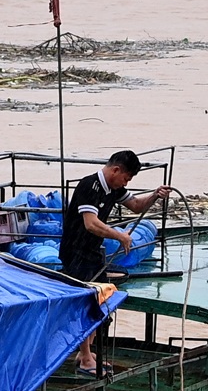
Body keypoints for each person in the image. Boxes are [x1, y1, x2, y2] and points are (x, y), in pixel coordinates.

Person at [60, 150, 173, 374]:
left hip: (93, 251)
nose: (126, 182)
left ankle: (87, 351)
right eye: (126, 178)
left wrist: (155, 195)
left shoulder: (114, 188)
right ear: (116, 170)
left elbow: (137, 206)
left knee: (102, 300)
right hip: (76, 252)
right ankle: (84, 357)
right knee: (87, 301)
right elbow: (91, 223)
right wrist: (120, 235)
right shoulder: (89, 186)